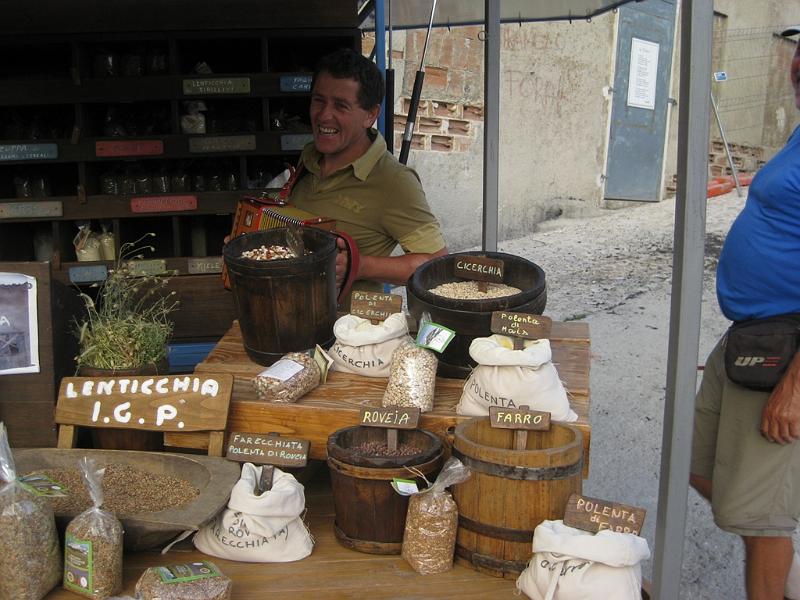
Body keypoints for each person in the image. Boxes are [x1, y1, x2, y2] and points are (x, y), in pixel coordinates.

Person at [689, 25, 800, 600]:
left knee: (761, 520)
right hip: (749, 338)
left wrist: (796, 386)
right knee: (701, 466)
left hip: (786, 349)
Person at [284, 48, 447, 294]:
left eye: (341, 106)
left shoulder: (394, 181)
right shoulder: (309, 157)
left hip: (347, 329)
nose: (324, 115)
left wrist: (359, 265)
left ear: (371, 115)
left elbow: (437, 266)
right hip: (287, 316)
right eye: (319, 101)